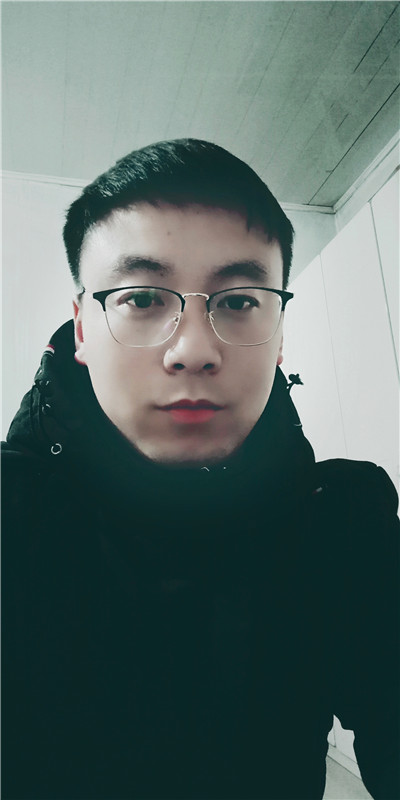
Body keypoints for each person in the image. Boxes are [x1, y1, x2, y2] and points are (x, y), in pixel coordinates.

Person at [2, 139, 399, 800]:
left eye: (239, 301)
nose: (192, 349)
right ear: (82, 328)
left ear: (280, 332)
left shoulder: (343, 526)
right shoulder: (12, 521)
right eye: (141, 298)